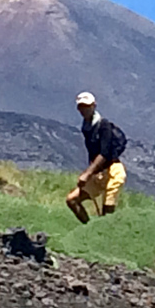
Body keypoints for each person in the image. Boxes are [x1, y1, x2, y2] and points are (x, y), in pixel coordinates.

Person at [65, 91, 127, 224]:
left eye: (87, 106)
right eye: (82, 106)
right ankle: (90, 229)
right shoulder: (86, 127)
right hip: (98, 173)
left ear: (94, 106)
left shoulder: (103, 125)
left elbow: (104, 154)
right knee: (72, 200)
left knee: (107, 212)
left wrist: (87, 174)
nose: (85, 109)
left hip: (112, 171)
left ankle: (106, 236)